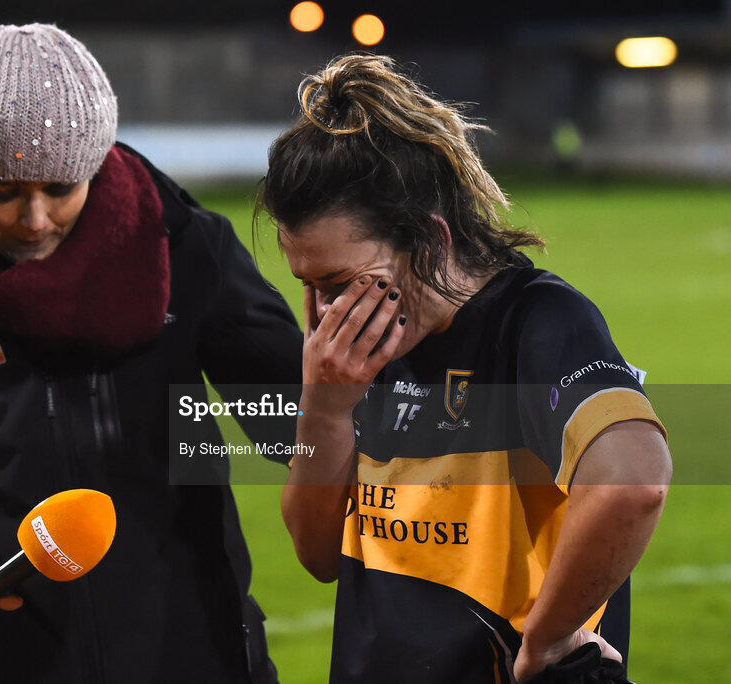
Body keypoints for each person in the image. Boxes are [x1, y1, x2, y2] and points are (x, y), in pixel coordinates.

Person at [0, 23, 302, 684]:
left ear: (95, 165)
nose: (35, 219)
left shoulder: (187, 256)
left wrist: (358, 391)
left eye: (61, 188)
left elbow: (296, 428)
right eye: (4, 193)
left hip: (198, 660)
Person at [261, 54, 672, 684]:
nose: (322, 314)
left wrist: (549, 639)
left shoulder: (536, 325)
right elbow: (318, 554)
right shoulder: (362, 349)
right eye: (307, 286)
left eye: (339, 282)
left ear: (431, 240)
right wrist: (324, 410)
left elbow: (634, 481)